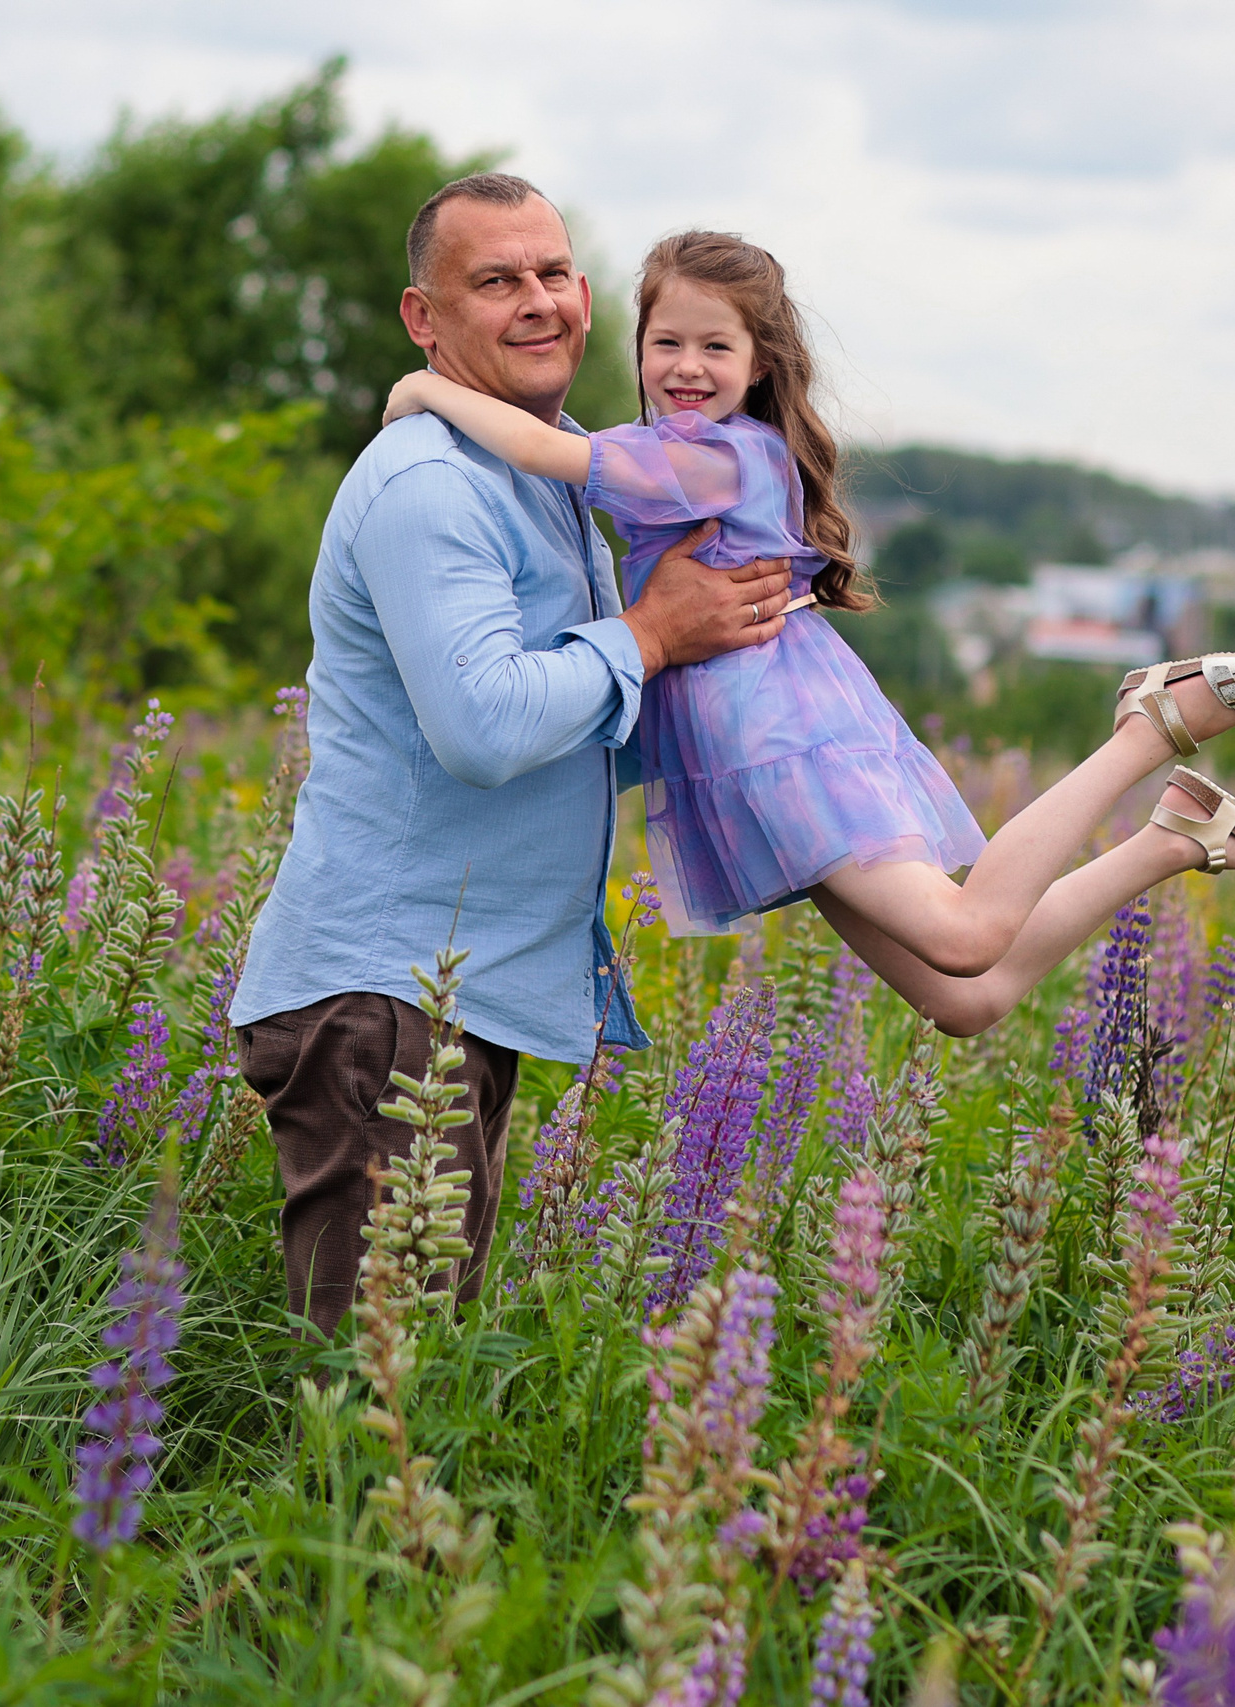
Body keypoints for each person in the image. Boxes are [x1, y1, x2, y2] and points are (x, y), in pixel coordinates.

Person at [382, 228, 1235, 1041]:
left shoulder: (710, 454)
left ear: (759, 365)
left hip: (779, 740)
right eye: (665, 341)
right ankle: (1173, 836)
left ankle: (1149, 726)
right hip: (756, 739)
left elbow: (552, 451)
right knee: (970, 1000)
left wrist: (426, 393)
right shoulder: (674, 449)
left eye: (716, 346)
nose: (686, 366)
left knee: (964, 936)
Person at [230, 174, 801, 1335]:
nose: (537, 302)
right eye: (496, 281)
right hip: (383, 1000)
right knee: (378, 1391)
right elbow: (488, 728)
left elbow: (575, 730)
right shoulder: (433, 483)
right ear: (422, 321)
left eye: (551, 273)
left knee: (414, 1381)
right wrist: (649, 633)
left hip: (451, 998)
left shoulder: (556, 471)